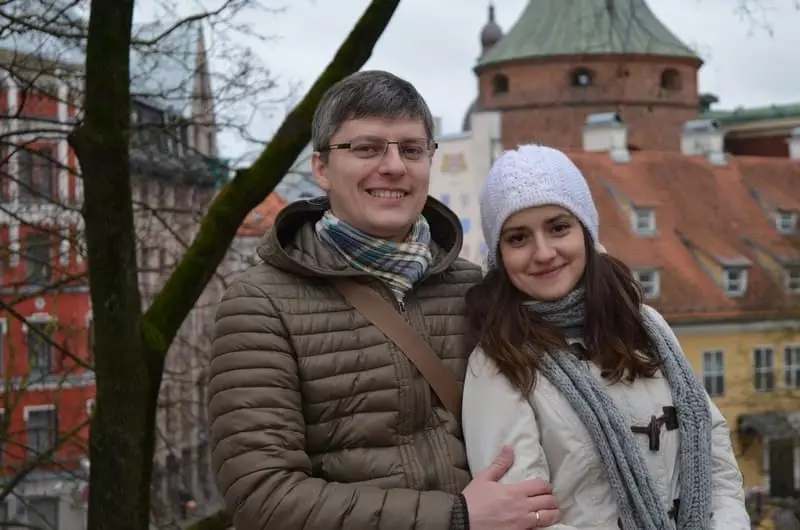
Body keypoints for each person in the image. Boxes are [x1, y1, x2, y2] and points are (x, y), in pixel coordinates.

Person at [207, 71, 560, 530]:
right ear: (320, 167)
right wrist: (454, 517)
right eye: (366, 148)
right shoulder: (259, 304)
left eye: (411, 149)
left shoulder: (474, 290)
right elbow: (263, 495)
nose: (394, 166)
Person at [462, 144, 751, 529]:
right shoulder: (498, 360)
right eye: (518, 238)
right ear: (500, 253)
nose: (543, 252)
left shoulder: (647, 326)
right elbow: (521, 520)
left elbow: (718, 468)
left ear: (585, 230)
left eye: (558, 227)